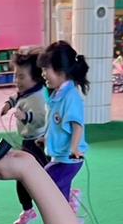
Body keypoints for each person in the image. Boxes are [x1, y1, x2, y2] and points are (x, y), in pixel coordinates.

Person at [0, 49, 50, 224]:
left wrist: (26, 116)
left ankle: (66, 196)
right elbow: (17, 96)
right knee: (21, 178)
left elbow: (41, 119)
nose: (17, 80)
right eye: (16, 75)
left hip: (38, 143)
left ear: (36, 78)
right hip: (27, 143)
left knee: (47, 178)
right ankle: (28, 210)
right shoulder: (26, 91)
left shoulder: (39, 97)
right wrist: (8, 104)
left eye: (21, 77)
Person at [37, 42, 90, 202]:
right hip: (59, 156)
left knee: (46, 184)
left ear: (61, 71)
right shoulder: (57, 94)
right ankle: (69, 208)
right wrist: (46, 139)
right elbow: (57, 125)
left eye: (46, 69)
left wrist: (74, 149)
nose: (43, 74)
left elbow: (77, 126)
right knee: (57, 192)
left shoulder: (71, 96)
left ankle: (70, 204)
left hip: (68, 159)